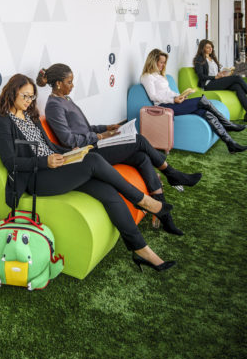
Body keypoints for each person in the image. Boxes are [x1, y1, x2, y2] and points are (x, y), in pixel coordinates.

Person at [0, 74, 177, 273]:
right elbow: (10, 162)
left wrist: (71, 154)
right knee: (94, 160)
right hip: (37, 178)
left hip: (56, 168)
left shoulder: (31, 117)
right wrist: (44, 161)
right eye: (25, 96)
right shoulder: (2, 124)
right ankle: (143, 201)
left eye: (31, 97)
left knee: (107, 192)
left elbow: (50, 146)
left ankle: (142, 251)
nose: (29, 101)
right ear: (12, 93)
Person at [38, 64, 202, 234]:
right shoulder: (54, 106)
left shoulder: (66, 100)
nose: (72, 85)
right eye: (69, 82)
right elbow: (68, 140)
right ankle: (172, 174)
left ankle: (165, 218)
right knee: (138, 140)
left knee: (142, 157)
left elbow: (85, 128)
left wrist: (106, 127)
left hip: (94, 143)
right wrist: (101, 136)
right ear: (58, 84)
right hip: (87, 153)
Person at [140, 49, 247, 154]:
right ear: (153, 62)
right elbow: (153, 96)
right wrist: (173, 100)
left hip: (172, 103)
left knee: (205, 113)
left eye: (164, 63)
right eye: (161, 62)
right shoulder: (147, 77)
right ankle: (228, 124)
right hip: (165, 107)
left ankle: (231, 144)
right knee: (202, 100)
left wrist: (181, 96)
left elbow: (168, 92)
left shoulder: (160, 76)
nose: (163, 65)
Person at [193, 39, 247, 125]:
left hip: (217, 80)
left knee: (237, 86)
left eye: (211, 47)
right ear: (202, 48)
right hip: (208, 84)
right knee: (237, 78)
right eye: (208, 47)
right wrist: (215, 77)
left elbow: (215, 73)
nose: (210, 49)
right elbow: (201, 76)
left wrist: (222, 74)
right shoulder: (199, 59)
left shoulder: (212, 58)